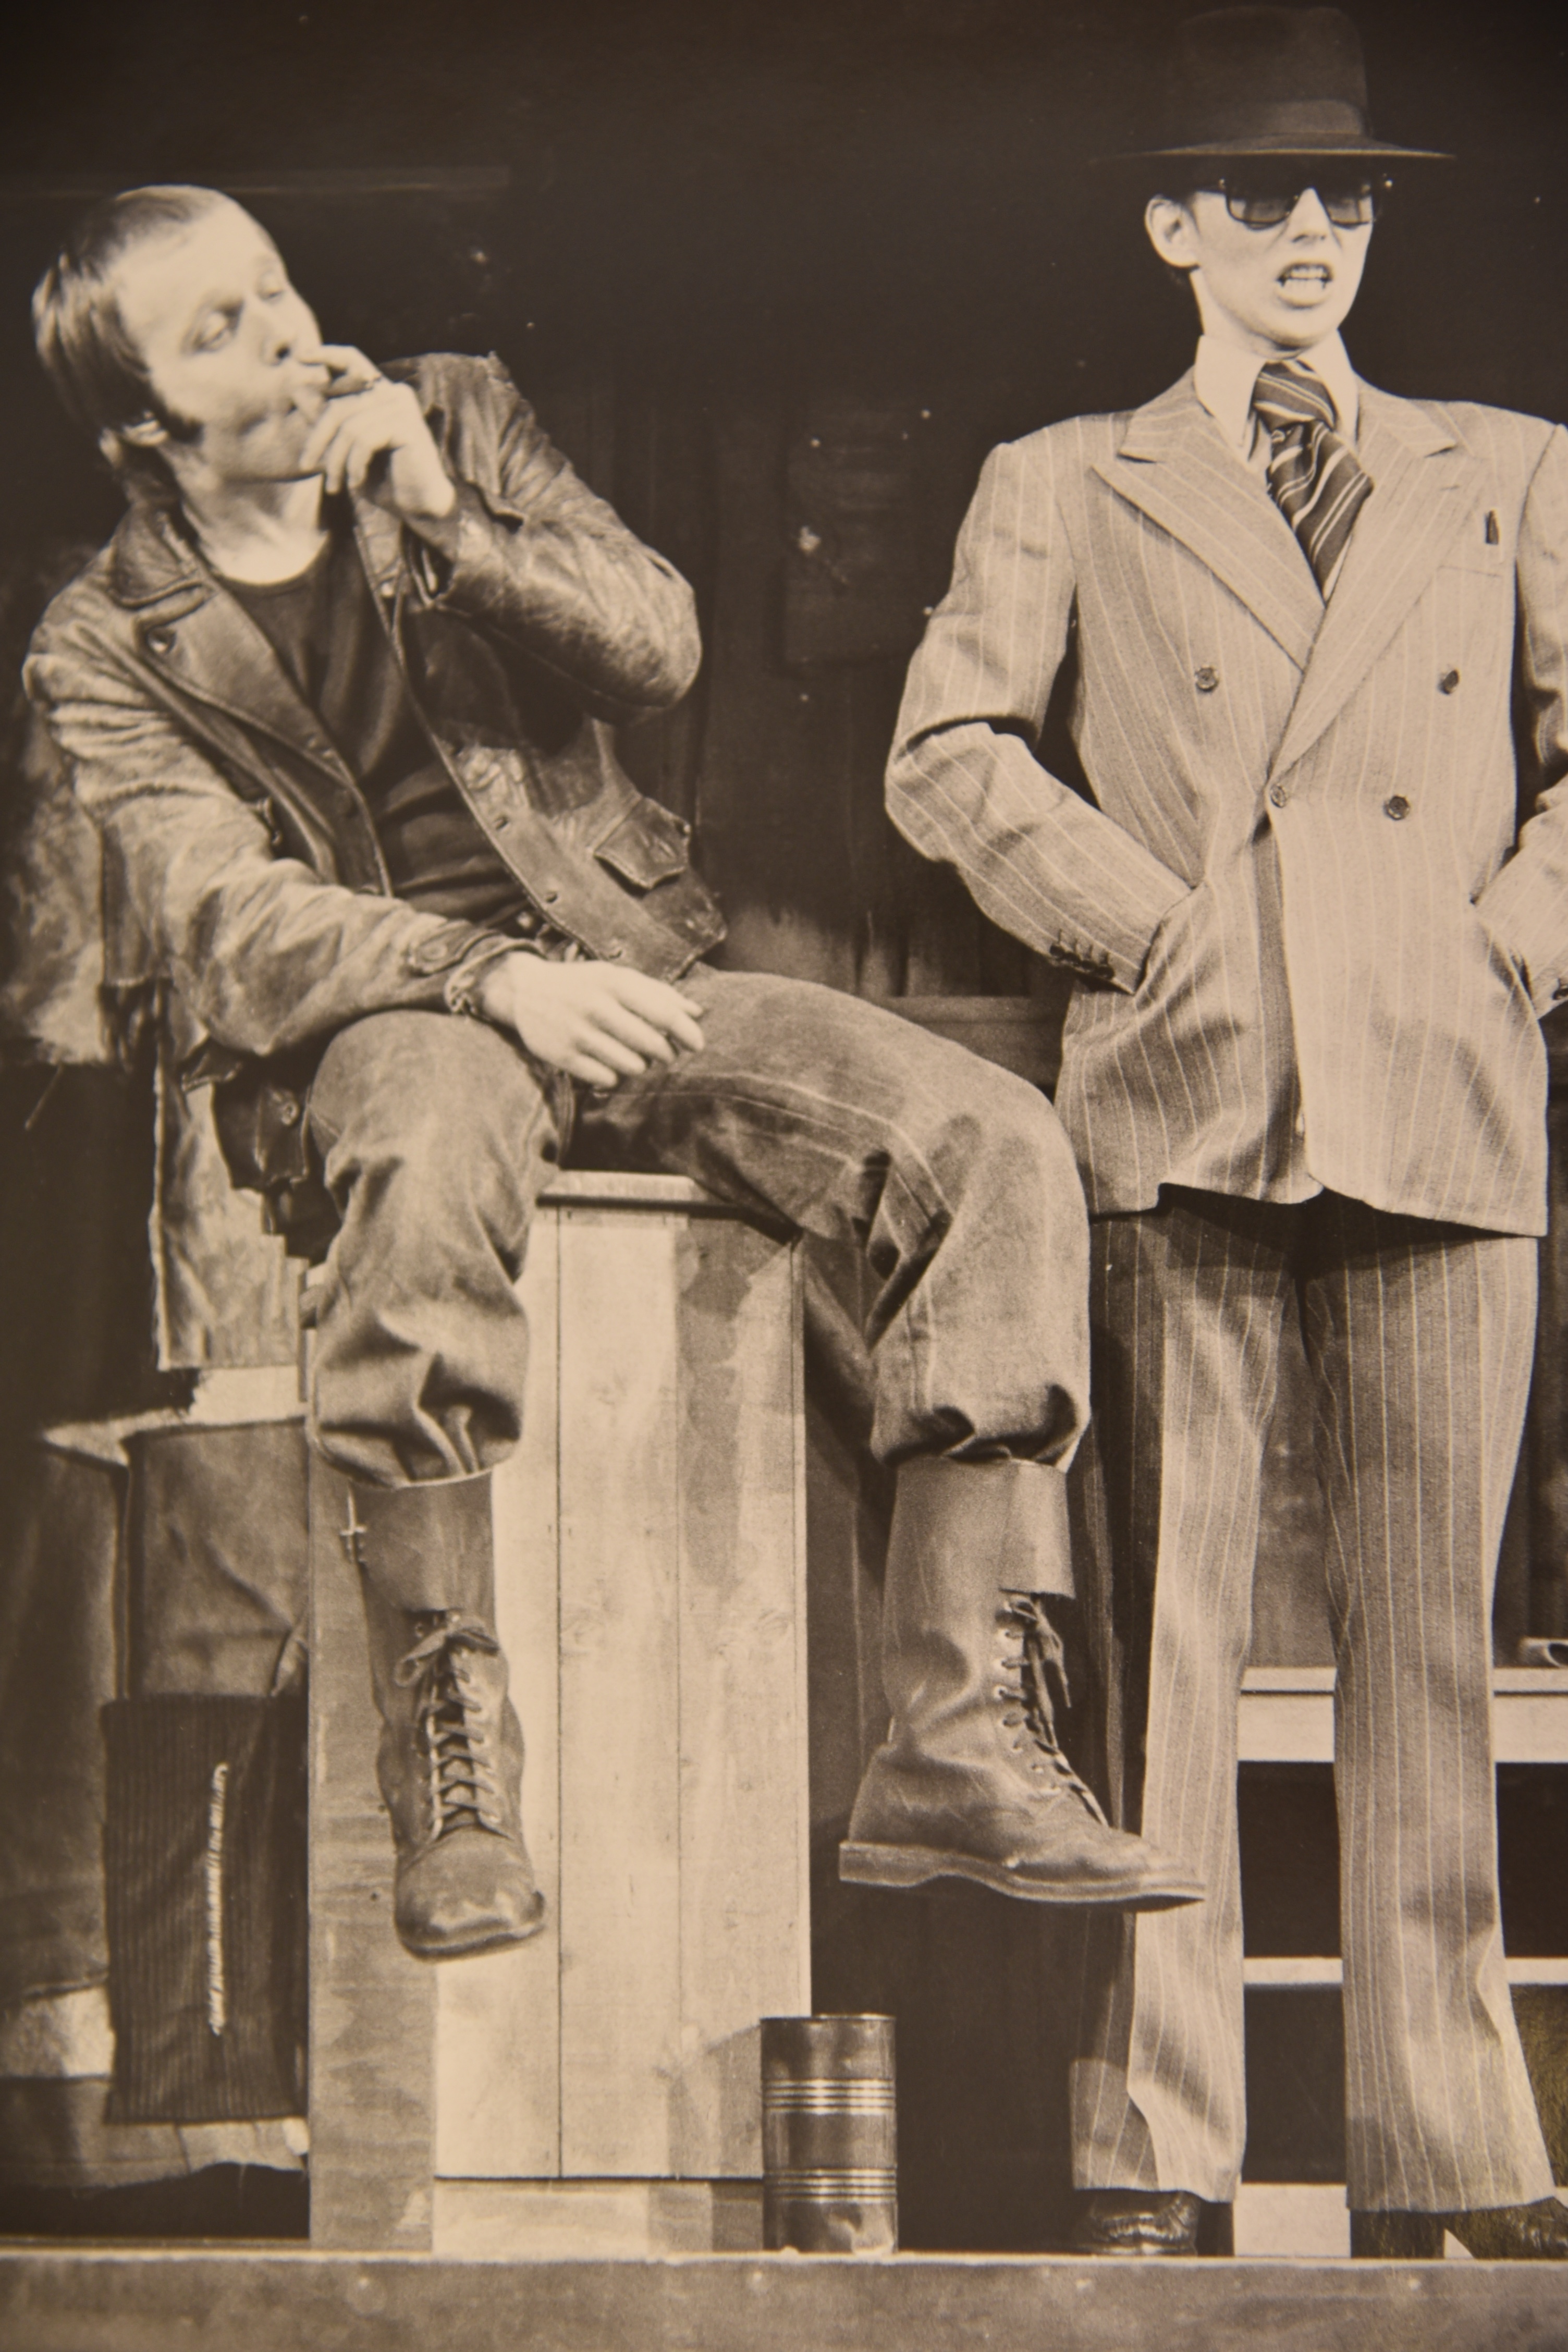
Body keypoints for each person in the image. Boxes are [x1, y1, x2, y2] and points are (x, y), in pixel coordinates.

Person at [24, 185, 1203, 1973]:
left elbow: (658, 642)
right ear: (143, 427)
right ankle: (452, 1761)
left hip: (635, 967)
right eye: (216, 332)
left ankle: (960, 1734)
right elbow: (226, 923)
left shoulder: (457, 413)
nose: (281, 336)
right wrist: (488, 979)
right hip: (393, 1023)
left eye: (271, 291)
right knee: (429, 1143)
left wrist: (451, 521)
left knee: (989, 1139)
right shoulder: (106, 640)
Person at [887, 2, 1568, 2263]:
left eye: (1341, 196)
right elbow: (948, 752)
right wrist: (1147, 928)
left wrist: (1507, 947)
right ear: (1170, 228)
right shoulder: (1066, 477)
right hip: (1186, 1096)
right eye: (1259, 196)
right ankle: (1153, 2152)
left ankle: (1448, 2155)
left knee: (1430, 1651)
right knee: (1163, 1647)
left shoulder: (1506, 466)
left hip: (1440, 1095)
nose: (1308, 232)